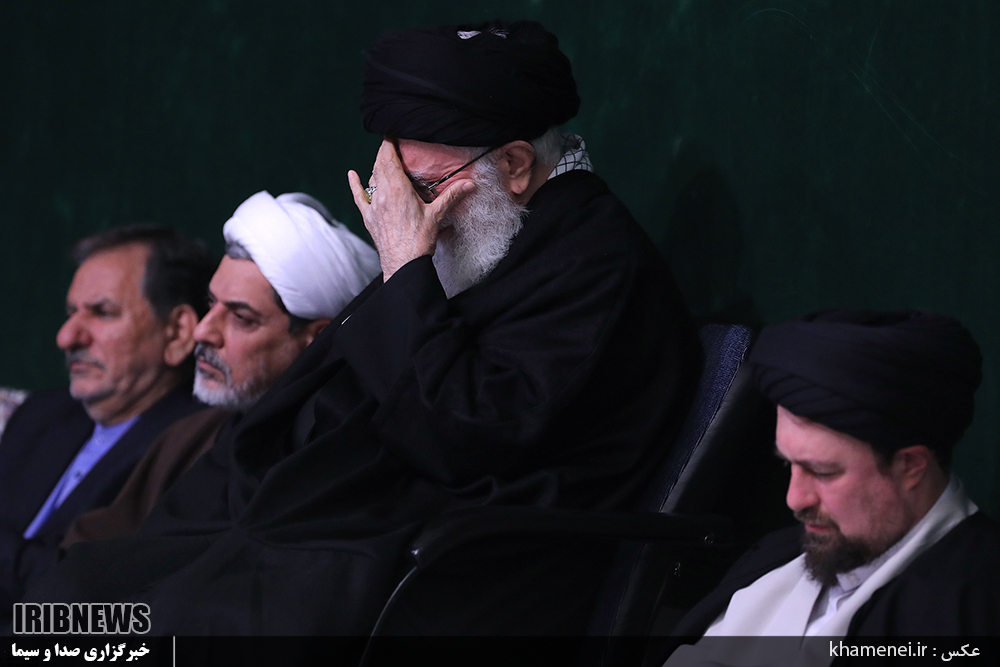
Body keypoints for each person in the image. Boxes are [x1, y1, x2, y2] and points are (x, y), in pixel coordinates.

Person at [29, 20, 698, 635]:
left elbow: (465, 438)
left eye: (423, 190)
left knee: (155, 626)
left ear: (516, 165)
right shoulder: (492, 235)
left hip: (448, 572)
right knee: (73, 594)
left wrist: (405, 268)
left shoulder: (597, 265)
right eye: (393, 192)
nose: (406, 216)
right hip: (344, 529)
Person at [667, 310, 999, 664]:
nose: (795, 499)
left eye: (823, 472)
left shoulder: (974, 608)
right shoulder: (776, 555)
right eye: (789, 464)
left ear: (910, 466)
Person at [60, 192, 380, 547]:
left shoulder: (335, 461)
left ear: (316, 339)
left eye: (241, 318)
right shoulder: (189, 436)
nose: (203, 331)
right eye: (211, 305)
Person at [0, 225, 213, 625]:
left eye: (102, 312)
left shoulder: (198, 447)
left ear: (177, 332)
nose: (67, 337)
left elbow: (91, 595)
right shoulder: (40, 415)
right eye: (71, 313)